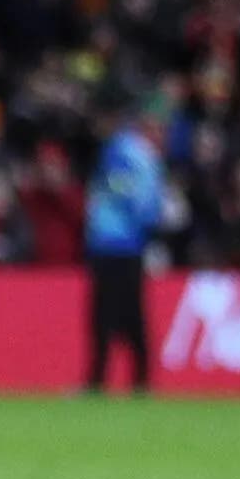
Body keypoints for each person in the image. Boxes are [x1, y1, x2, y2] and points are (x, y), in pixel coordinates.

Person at [82, 91, 173, 392]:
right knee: (129, 316)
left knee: (107, 317)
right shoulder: (144, 155)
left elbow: (126, 193)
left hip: (116, 244)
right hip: (123, 245)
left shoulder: (125, 151)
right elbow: (149, 204)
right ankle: (140, 381)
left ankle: (100, 381)